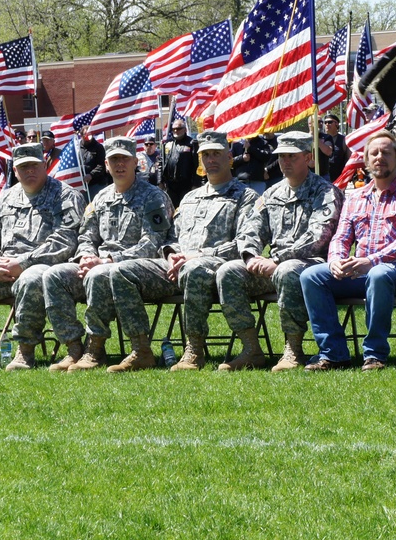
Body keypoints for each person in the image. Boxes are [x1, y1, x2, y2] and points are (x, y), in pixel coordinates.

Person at [108, 130, 258, 371]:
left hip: (214, 268)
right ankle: (141, 350)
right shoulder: (189, 198)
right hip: (175, 267)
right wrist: (171, 255)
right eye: (205, 154)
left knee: (195, 268)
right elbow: (170, 236)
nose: (211, 159)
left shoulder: (245, 197)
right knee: (122, 271)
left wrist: (195, 257)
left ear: (229, 157)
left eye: (216, 154)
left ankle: (194, 350)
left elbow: (245, 243)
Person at [301, 130, 396, 371]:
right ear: (366, 159)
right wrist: (336, 262)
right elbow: (341, 236)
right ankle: (334, 354)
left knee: (379, 274)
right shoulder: (355, 197)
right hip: (363, 273)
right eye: (373, 153)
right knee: (312, 276)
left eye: (386, 152)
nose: (379, 157)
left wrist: (371, 261)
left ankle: (374, 355)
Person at [0, 143, 85, 372]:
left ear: (45, 165)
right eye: (23, 167)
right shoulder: (6, 198)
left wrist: (22, 264)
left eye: (34, 165)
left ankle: (25, 351)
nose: (29, 171)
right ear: (15, 170)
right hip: (2, 271)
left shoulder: (66, 196)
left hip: (45, 270)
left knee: (30, 278)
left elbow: (65, 242)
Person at [43, 137, 175, 372]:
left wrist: (107, 261)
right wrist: (85, 257)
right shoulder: (100, 198)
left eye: (125, 159)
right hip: (99, 265)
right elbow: (86, 237)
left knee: (100, 274)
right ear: (106, 164)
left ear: (136, 162)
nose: (120, 164)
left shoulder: (153, 197)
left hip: (141, 269)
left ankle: (99, 348)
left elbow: (153, 243)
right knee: (54, 275)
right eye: (114, 159)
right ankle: (74, 348)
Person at [217, 132, 344, 371]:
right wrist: (251, 256)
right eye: (281, 156)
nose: (285, 162)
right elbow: (250, 230)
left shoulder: (325, 192)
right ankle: (251, 349)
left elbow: (318, 238)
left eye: (291, 157)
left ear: (307, 158)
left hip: (313, 267)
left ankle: (293, 350)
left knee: (287, 270)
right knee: (228, 271)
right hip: (271, 267)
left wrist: (276, 259)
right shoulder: (272, 194)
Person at [162, 119, 200, 207]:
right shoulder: (168, 143)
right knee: (171, 210)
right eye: (174, 129)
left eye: (179, 128)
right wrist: (160, 180)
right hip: (170, 185)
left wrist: (196, 184)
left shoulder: (192, 143)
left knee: (185, 208)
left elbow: (198, 164)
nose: (176, 131)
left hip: (186, 185)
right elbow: (161, 162)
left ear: (185, 129)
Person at [78, 127, 109, 201]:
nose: (88, 136)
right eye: (85, 134)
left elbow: (101, 165)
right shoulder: (78, 148)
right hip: (83, 185)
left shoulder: (99, 147)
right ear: (81, 135)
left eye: (90, 134)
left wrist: (91, 175)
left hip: (96, 184)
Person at [323, 114, 348, 181]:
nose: (327, 124)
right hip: (323, 178)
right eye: (325, 122)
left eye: (330, 122)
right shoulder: (321, 140)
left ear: (336, 124)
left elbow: (348, 159)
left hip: (338, 179)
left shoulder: (344, 140)